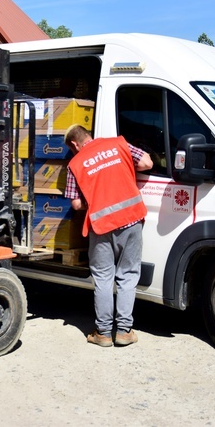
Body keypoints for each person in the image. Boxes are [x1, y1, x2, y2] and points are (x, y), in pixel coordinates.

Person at [64, 124, 153, 347]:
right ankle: (124, 332)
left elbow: (75, 204)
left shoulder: (75, 164)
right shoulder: (118, 144)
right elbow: (146, 163)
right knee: (128, 275)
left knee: (103, 278)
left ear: (75, 144)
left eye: (72, 149)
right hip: (131, 219)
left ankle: (103, 333)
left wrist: (96, 197)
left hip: (101, 226)